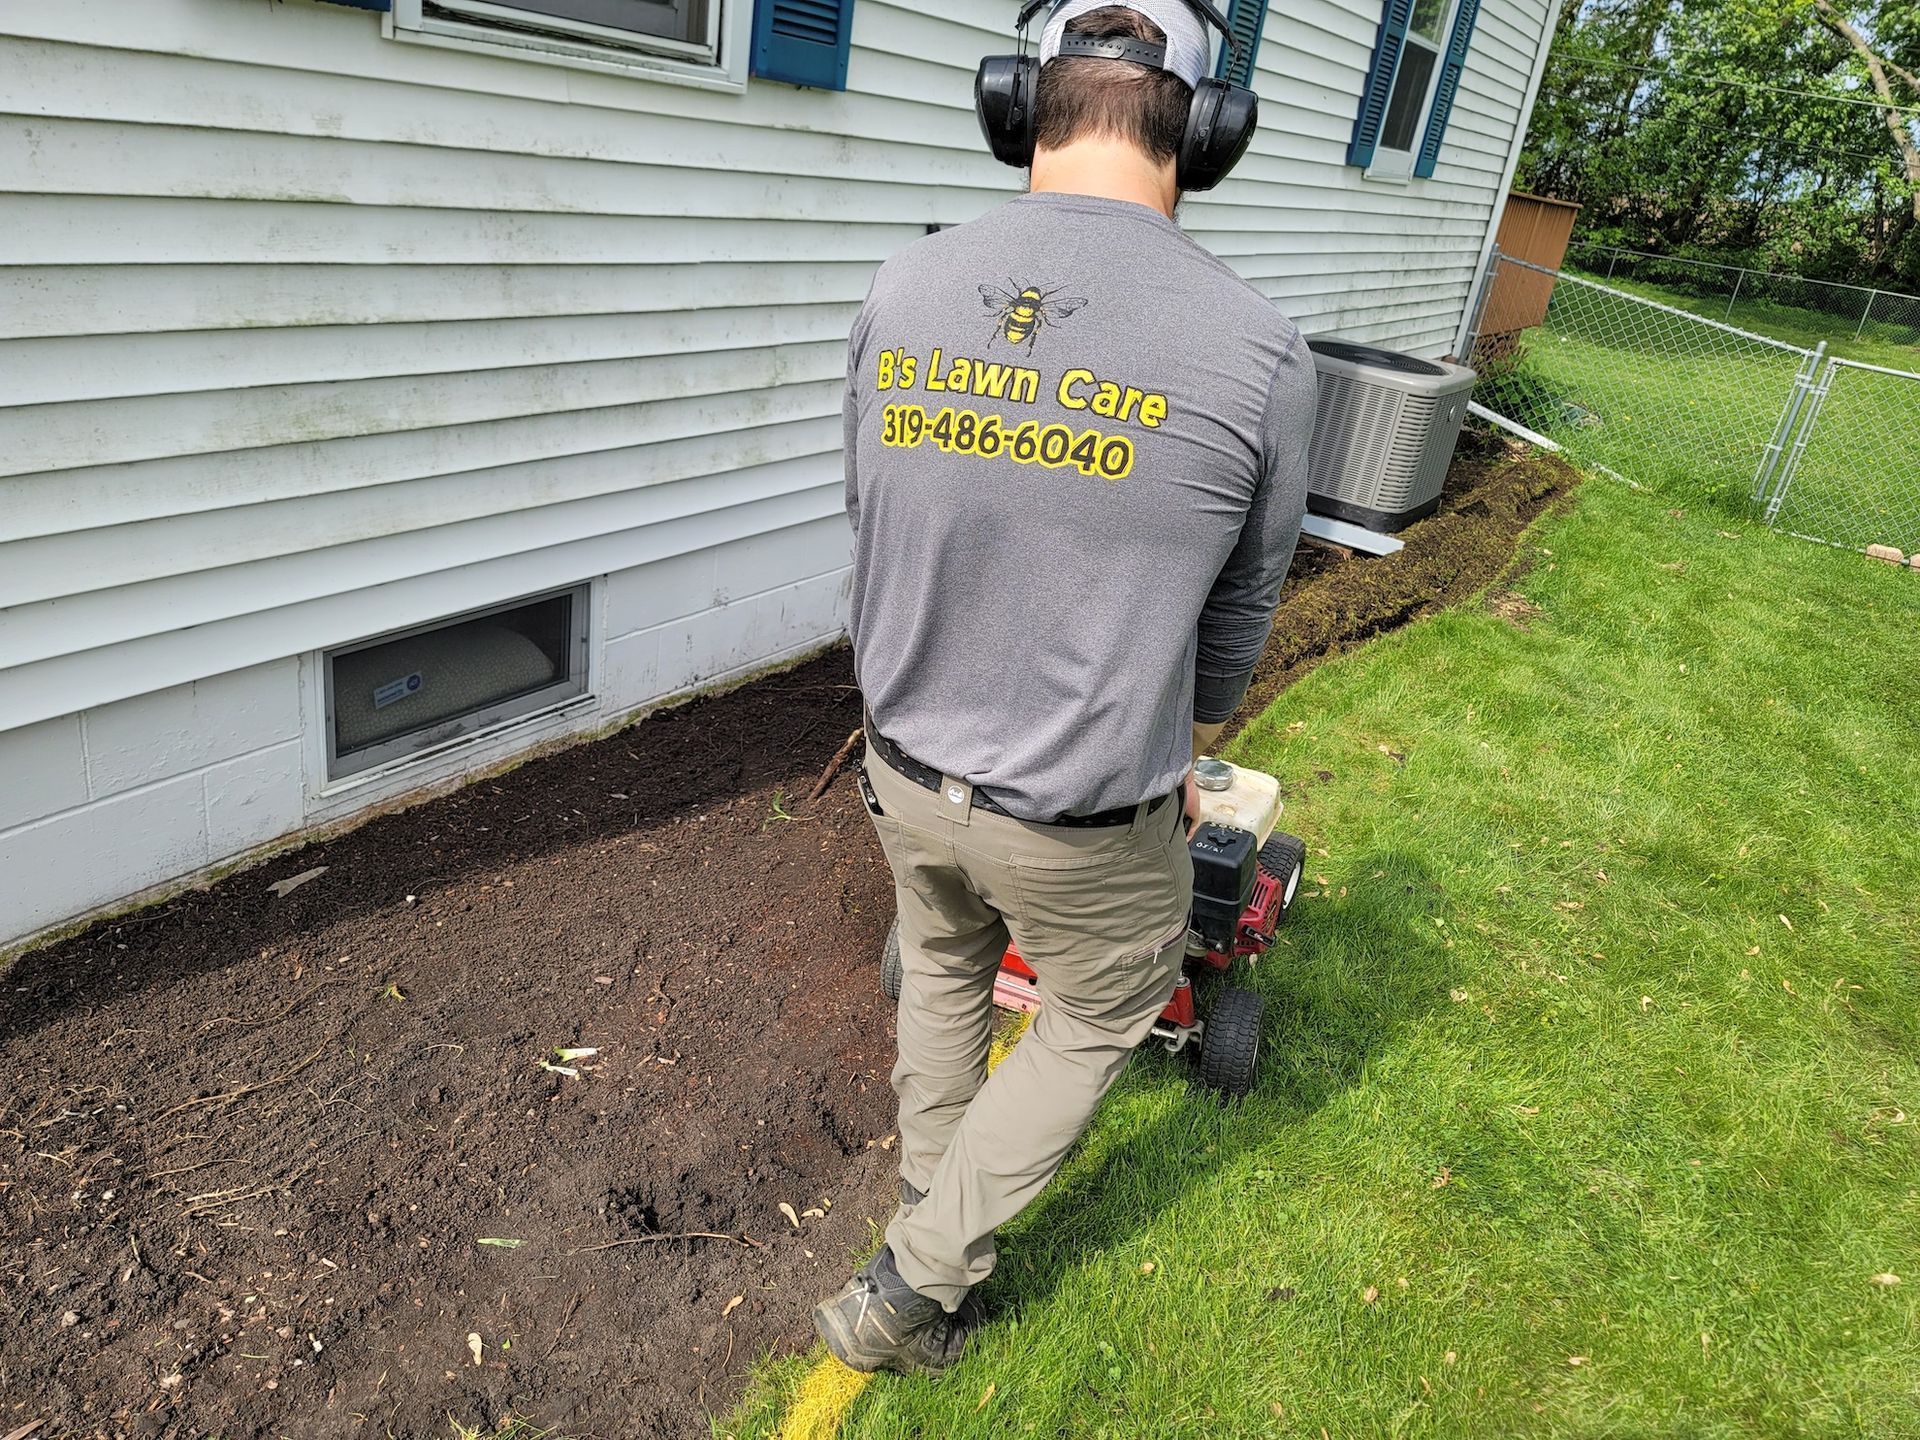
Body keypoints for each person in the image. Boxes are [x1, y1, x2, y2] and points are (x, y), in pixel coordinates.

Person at [813, 0, 1315, 1375]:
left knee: (945, 964)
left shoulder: (899, 287)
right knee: (1102, 1003)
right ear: (1208, 134)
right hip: (1084, 813)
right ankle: (916, 1283)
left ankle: (933, 1207)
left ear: (1015, 104)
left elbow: (876, 515)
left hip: (902, 767)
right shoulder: (1262, 350)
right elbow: (1240, 620)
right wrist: (1195, 735)